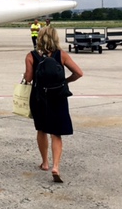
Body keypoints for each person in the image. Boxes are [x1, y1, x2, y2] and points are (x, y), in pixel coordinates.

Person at [23, 26, 83, 183]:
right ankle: (56, 166)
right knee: (56, 133)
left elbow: (28, 79)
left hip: (39, 97)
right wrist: (64, 81)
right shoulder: (61, 55)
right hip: (58, 97)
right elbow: (79, 73)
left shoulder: (31, 56)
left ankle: (45, 163)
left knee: (41, 129)